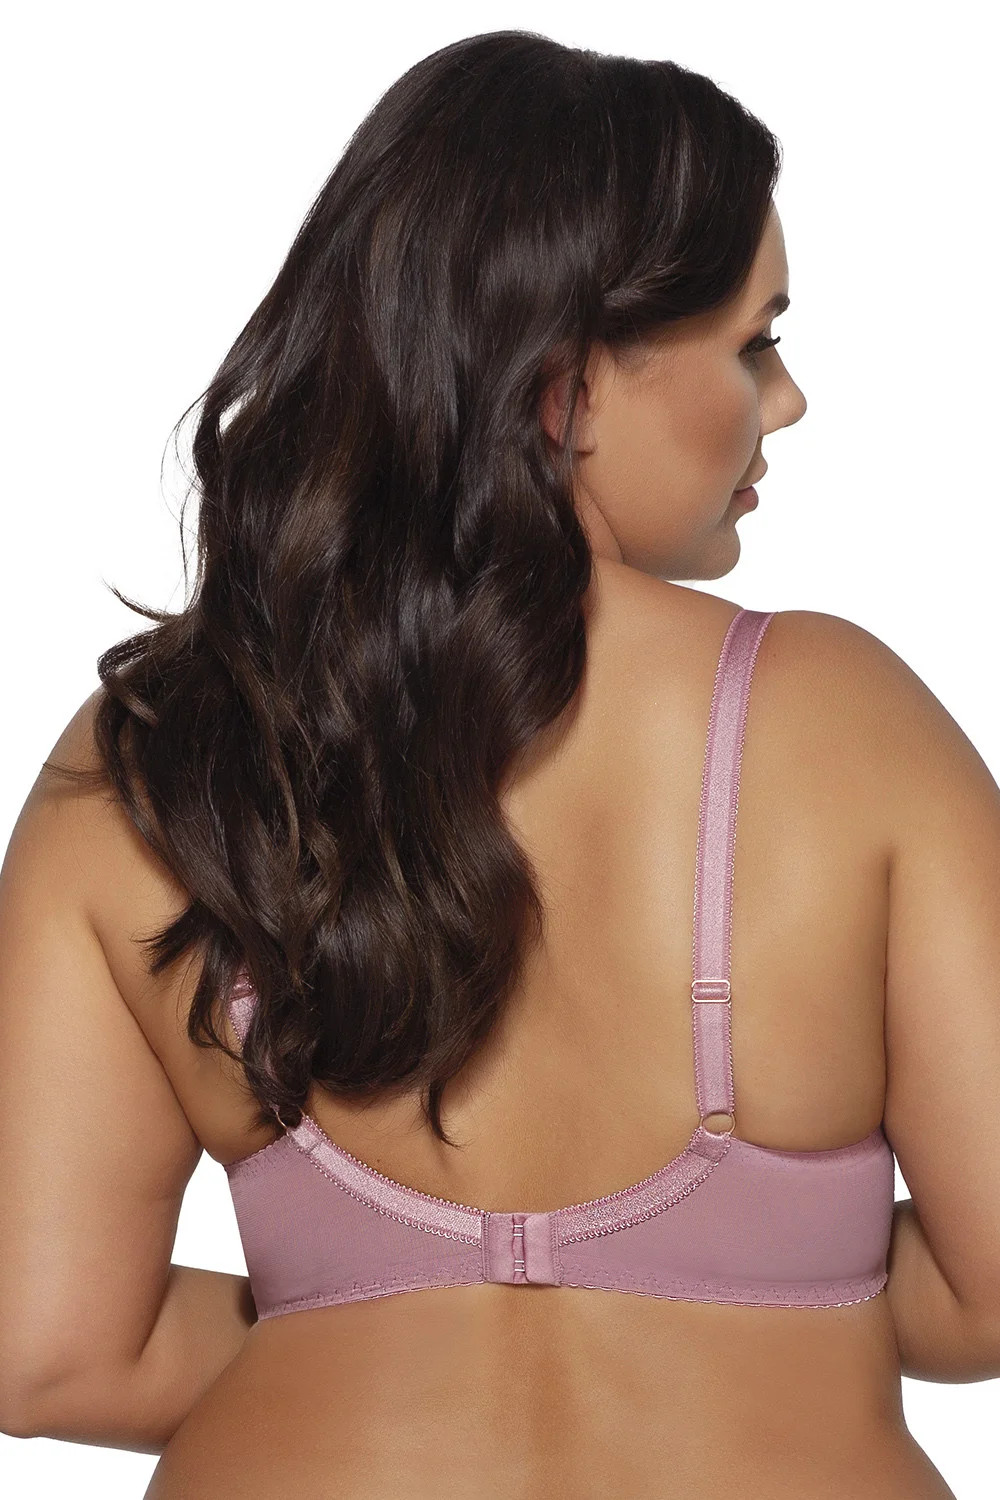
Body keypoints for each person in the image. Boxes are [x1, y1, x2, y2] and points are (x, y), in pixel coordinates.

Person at [0, 29, 996, 1500]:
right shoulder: (846, 724)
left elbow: (55, 1355)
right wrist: (750, 1284)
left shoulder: (150, 759)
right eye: (755, 343)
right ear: (566, 386)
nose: (783, 402)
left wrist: (388, 1317)